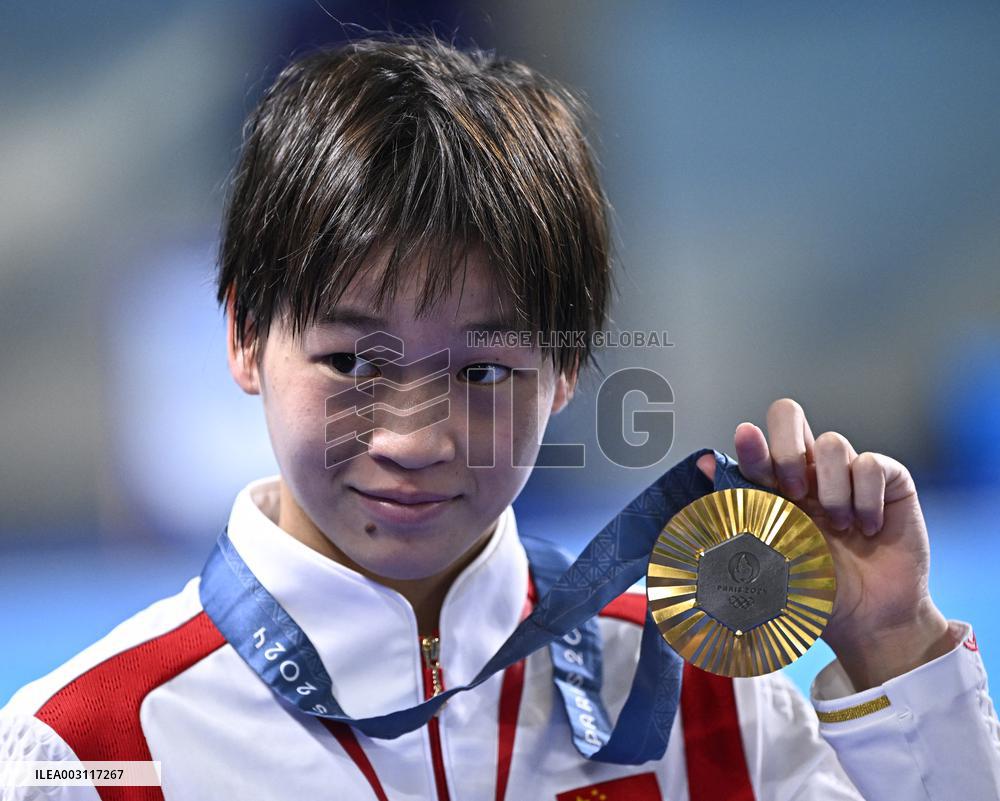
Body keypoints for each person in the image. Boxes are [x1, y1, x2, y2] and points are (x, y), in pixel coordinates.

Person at [2, 33, 998, 801]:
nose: (412, 440)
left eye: (482, 372)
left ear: (565, 369)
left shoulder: (707, 708)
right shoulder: (89, 752)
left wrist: (893, 643)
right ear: (245, 337)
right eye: (350, 359)